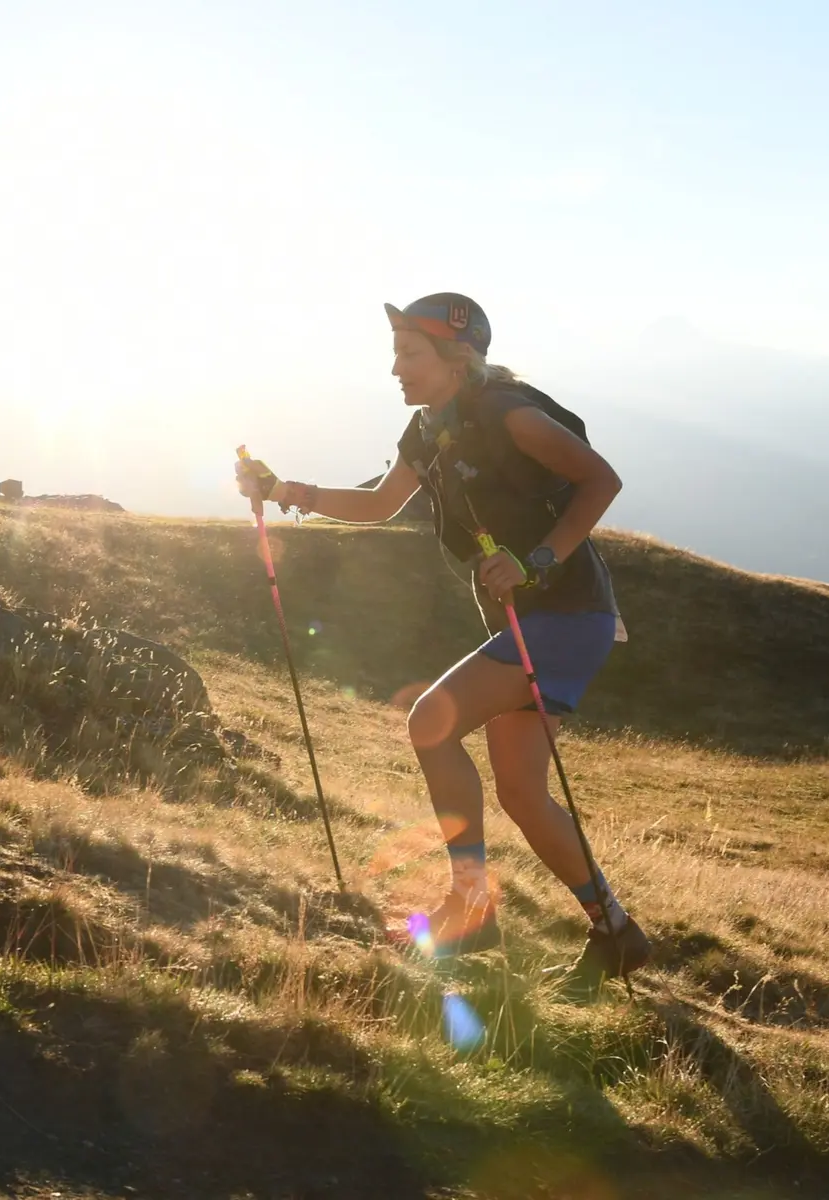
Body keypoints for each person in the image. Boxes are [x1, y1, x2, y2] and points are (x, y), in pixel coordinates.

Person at [235, 292, 651, 996]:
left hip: (568, 612)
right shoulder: (428, 433)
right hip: (526, 622)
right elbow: (376, 504)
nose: (396, 368)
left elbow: (600, 479)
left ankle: (472, 906)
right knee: (523, 793)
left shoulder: (507, 412)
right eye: (395, 352)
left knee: (431, 719)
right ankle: (614, 930)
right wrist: (283, 489)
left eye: (409, 353)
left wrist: (537, 559)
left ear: (457, 360)